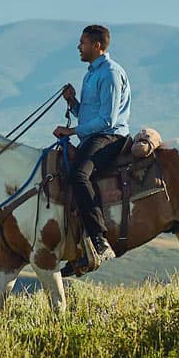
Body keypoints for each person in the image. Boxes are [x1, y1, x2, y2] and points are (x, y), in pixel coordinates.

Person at [53, 24, 131, 265]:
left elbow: (107, 120)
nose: (79, 46)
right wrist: (73, 102)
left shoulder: (109, 74)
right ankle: (77, 245)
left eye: (83, 43)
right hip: (94, 135)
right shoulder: (91, 74)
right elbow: (90, 115)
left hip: (109, 137)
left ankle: (99, 239)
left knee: (78, 176)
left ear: (97, 46)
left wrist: (71, 130)